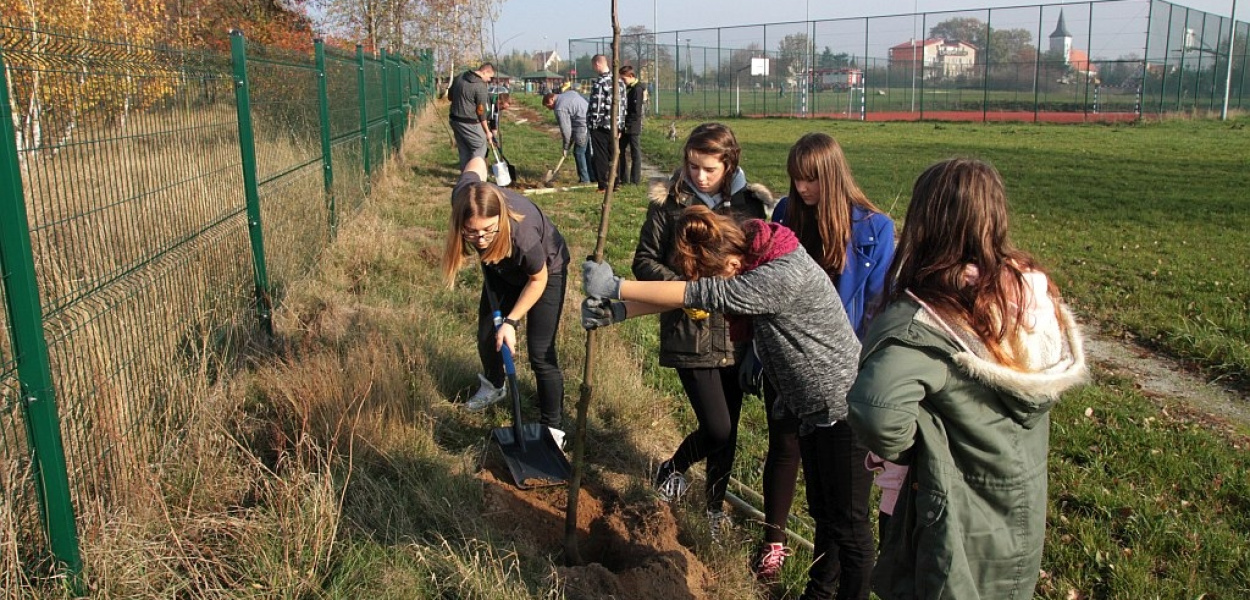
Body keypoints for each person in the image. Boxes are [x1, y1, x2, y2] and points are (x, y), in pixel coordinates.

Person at [846, 158, 1088, 600]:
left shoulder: (928, 318)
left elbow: (876, 412)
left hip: (944, 521)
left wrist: (916, 443)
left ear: (927, 224)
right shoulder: (1028, 297)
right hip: (1014, 516)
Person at [583, 206, 861, 551]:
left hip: (838, 402)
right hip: (809, 405)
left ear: (730, 263)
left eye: (720, 276)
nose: (721, 282)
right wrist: (619, 311)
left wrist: (617, 288)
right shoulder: (755, 257)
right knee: (826, 511)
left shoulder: (774, 274)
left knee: (846, 525)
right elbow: (696, 296)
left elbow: (702, 295)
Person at [748, 133, 893, 599]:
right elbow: (762, 287)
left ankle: (826, 586)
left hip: (844, 377)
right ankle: (807, 574)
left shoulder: (875, 229)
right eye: (795, 177)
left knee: (845, 507)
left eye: (810, 178)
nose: (801, 187)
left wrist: (865, 371)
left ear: (831, 175)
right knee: (803, 474)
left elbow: (877, 309)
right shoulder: (786, 214)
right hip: (791, 365)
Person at [631, 123, 773, 539]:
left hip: (736, 330)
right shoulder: (669, 203)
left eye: (708, 168)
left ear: (730, 164)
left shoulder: (750, 205)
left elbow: (759, 265)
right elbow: (644, 261)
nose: (698, 175)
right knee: (717, 427)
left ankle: (714, 508)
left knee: (729, 429)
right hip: (689, 329)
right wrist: (691, 289)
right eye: (692, 165)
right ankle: (672, 468)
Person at [441, 156, 571, 441]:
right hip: (501, 266)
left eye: (488, 230)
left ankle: (553, 427)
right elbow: (475, 161)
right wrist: (482, 155)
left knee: (541, 352)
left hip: (545, 270)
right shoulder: (464, 198)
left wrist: (511, 321)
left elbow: (539, 279)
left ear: (500, 218)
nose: (481, 239)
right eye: (471, 232)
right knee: (488, 334)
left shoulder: (521, 235)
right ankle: (495, 385)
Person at [586, 54, 624, 191]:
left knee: (600, 155)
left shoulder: (600, 83)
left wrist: (593, 124)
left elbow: (597, 106)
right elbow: (623, 105)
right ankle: (617, 181)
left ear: (597, 64)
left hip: (601, 126)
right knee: (614, 154)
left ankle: (603, 184)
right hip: (615, 126)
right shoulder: (619, 82)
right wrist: (620, 126)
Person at [448, 63, 495, 169]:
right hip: (470, 122)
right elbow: (481, 112)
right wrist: (487, 132)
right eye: (490, 77)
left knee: (464, 150)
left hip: (454, 120)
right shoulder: (480, 86)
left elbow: (450, 97)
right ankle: (474, 176)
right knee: (480, 147)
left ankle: (465, 180)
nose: (489, 80)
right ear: (485, 72)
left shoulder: (459, 77)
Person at [543, 90, 592, 183]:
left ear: (552, 98)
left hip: (581, 125)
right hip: (590, 121)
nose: (550, 108)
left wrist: (565, 147)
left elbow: (566, 130)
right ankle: (592, 177)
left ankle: (585, 180)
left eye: (549, 105)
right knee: (586, 152)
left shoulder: (559, 108)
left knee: (579, 152)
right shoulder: (569, 93)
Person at [618, 65, 646, 186]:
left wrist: (627, 125)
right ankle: (624, 178)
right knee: (620, 151)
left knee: (635, 153)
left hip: (633, 126)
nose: (623, 82)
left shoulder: (637, 89)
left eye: (624, 79)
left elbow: (636, 111)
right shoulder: (629, 88)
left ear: (631, 76)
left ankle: (635, 180)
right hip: (625, 125)